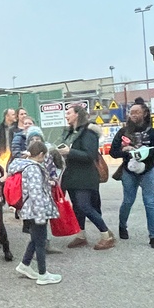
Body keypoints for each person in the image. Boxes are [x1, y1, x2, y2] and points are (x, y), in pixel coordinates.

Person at [109, 98, 154, 248]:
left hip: (148, 170)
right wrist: (124, 150)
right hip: (129, 171)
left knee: (150, 203)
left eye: (137, 112)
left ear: (145, 113)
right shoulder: (123, 132)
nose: (133, 115)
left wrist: (147, 154)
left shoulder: (153, 132)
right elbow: (112, 152)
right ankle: (122, 225)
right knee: (128, 201)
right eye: (131, 112)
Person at [59, 104, 115, 250]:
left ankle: (106, 235)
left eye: (69, 113)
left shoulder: (88, 132)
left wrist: (70, 152)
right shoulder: (70, 132)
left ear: (77, 114)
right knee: (77, 207)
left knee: (85, 206)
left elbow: (90, 155)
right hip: (71, 175)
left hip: (85, 176)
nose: (66, 115)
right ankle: (81, 235)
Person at [8, 139, 61, 285]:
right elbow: (36, 192)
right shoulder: (33, 168)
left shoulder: (22, 166)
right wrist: (41, 215)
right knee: (40, 241)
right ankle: (43, 274)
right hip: (35, 210)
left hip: (27, 209)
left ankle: (24, 265)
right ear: (41, 154)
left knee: (35, 238)